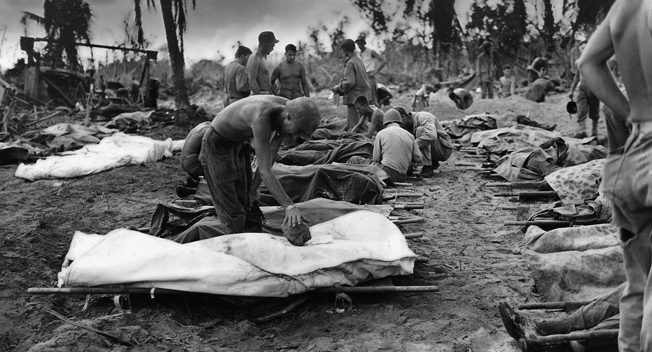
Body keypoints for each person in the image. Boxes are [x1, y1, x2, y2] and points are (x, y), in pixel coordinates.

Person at [577, 0, 650, 350]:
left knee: (637, 284)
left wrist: (632, 116)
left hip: (632, 159)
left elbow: (587, 64)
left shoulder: (627, 6)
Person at [199, 96, 321, 244]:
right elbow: (264, 171)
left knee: (249, 203)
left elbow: (269, 160)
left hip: (239, 144)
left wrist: (253, 189)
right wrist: (288, 206)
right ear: (288, 118)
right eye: (298, 131)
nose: (296, 137)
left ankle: (257, 245)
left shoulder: (289, 112)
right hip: (217, 144)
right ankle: (237, 249)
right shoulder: (262, 117)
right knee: (231, 207)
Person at [395, 107, 453, 177]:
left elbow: (431, 136)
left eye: (399, 123)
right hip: (434, 151)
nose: (399, 126)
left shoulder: (424, 117)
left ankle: (428, 166)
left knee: (421, 131)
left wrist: (411, 146)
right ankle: (433, 162)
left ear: (403, 117)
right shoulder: (406, 126)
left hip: (444, 149)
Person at [371, 108, 422, 183]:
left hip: (386, 174)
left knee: (357, 160)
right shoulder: (410, 135)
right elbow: (418, 158)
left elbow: (376, 159)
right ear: (399, 122)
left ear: (385, 123)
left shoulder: (381, 133)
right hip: (402, 176)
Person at [332, 39, 371, 131]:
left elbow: (349, 82)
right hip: (363, 97)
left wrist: (338, 87)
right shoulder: (359, 61)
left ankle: (358, 143)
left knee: (354, 126)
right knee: (362, 124)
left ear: (345, 50)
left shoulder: (350, 63)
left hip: (354, 99)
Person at [569, 54, 600, 138]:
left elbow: (602, 76)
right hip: (582, 89)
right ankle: (582, 130)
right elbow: (576, 77)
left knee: (595, 111)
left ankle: (594, 130)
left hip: (594, 89)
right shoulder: (579, 63)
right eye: (582, 47)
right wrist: (571, 90)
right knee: (581, 110)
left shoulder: (597, 61)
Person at [355, 34, 387, 107]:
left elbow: (383, 61)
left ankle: (377, 114)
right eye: (358, 44)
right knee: (363, 98)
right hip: (361, 77)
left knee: (372, 98)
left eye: (361, 43)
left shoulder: (370, 51)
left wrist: (375, 72)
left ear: (364, 43)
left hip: (369, 76)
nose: (359, 45)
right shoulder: (358, 53)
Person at [246, 31, 278, 95]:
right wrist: (260, 98)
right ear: (264, 43)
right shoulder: (254, 58)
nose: (272, 48)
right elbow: (252, 81)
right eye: (272, 45)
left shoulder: (264, 59)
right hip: (260, 96)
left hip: (267, 95)